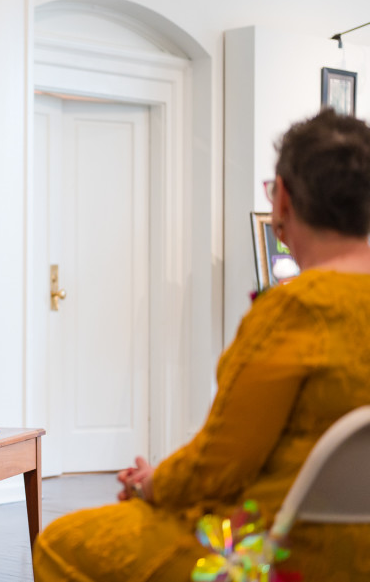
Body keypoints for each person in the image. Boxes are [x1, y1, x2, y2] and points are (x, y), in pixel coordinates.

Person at [32, 108, 370, 582]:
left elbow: (220, 466)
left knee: (61, 543)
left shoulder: (298, 310)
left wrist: (154, 484)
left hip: (275, 554)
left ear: (285, 201)